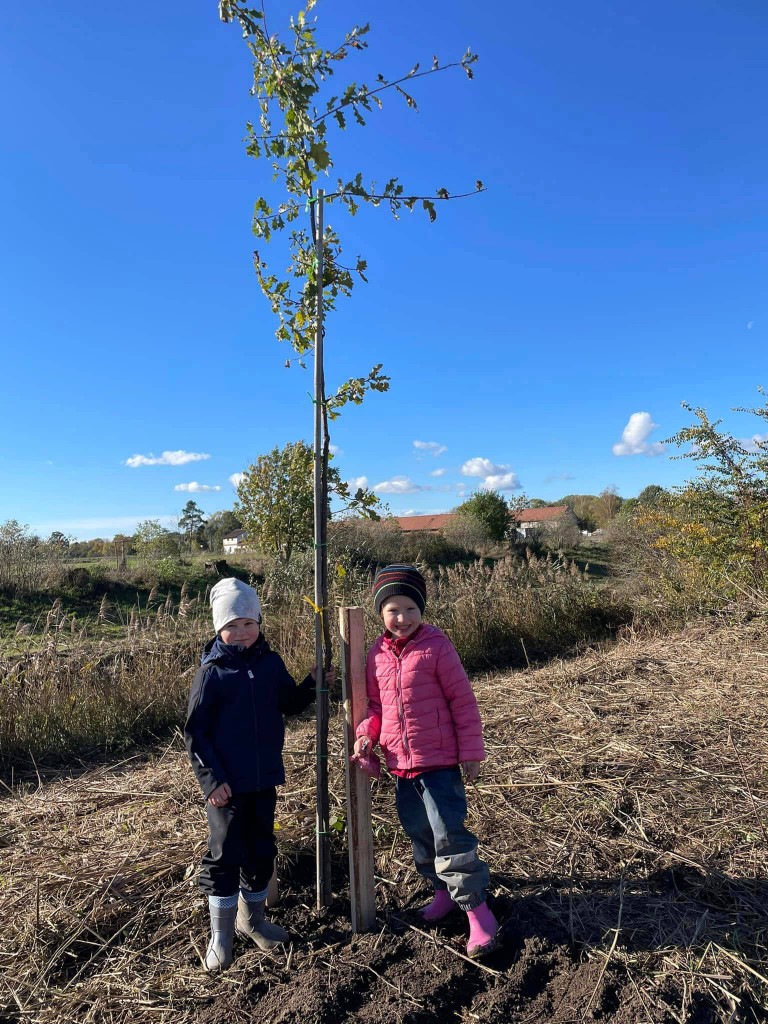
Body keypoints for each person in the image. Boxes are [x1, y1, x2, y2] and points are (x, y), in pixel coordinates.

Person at [352, 564, 499, 959]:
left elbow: (462, 701)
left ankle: (477, 912)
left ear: (422, 610)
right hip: (401, 765)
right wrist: (367, 733)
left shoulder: (437, 646)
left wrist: (471, 751)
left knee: (449, 834)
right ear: (380, 614)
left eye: (411, 609)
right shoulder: (376, 656)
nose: (403, 618)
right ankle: (441, 892)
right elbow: (377, 707)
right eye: (393, 610)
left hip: (439, 763)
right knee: (419, 833)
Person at [185, 577, 325, 971]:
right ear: (218, 629)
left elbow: (288, 703)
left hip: (264, 780)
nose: (242, 632)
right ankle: (221, 936)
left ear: (259, 622)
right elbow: (195, 733)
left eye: (248, 623)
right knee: (226, 855)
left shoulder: (270, 663)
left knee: (262, 851)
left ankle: (256, 922)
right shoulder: (211, 674)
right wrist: (212, 782)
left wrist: (311, 684)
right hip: (227, 787)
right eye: (232, 625)